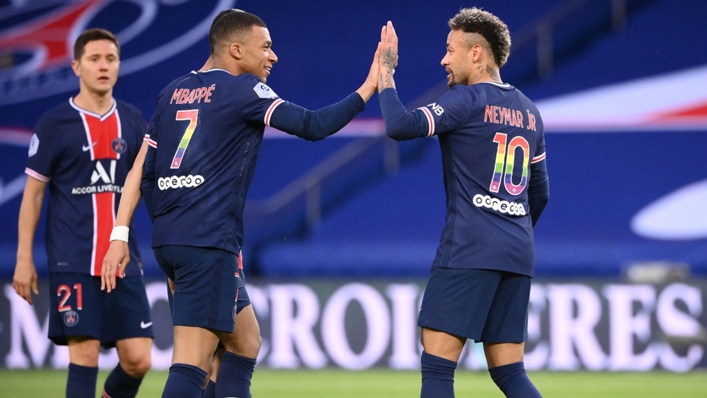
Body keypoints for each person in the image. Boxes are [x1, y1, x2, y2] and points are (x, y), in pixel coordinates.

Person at [103, 9, 380, 398]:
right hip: (206, 242)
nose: (273, 56)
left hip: (178, 239)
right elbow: (314, 125)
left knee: (244, 341)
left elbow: (141, 174)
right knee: (193, 360)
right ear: (236, 50)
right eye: (265, 47)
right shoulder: (244, 90)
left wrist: (130, 233)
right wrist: (369, 86)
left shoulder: (172, 93)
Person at [377, 8, 549, 398]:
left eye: (450, 50)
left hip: (470, 248)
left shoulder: (466, 100)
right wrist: (509, 230)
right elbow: (539, 194)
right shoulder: (530, 112)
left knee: (438, 368)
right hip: (518, 253)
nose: (443, 60)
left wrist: (385, 73)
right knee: (510, 373)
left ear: (476, 54)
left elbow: (399, 126)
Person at [12, 28, 153, 398]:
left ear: (119, 64)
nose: (103, 66)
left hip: (122, 259)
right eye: (94, 59)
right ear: (76, 66)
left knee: (139, 358)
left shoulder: (133, 121)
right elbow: (33, 197)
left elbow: (145, 186)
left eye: (111, 58)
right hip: (73, 258)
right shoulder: (54, 124)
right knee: (85, 353)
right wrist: (24, 259)